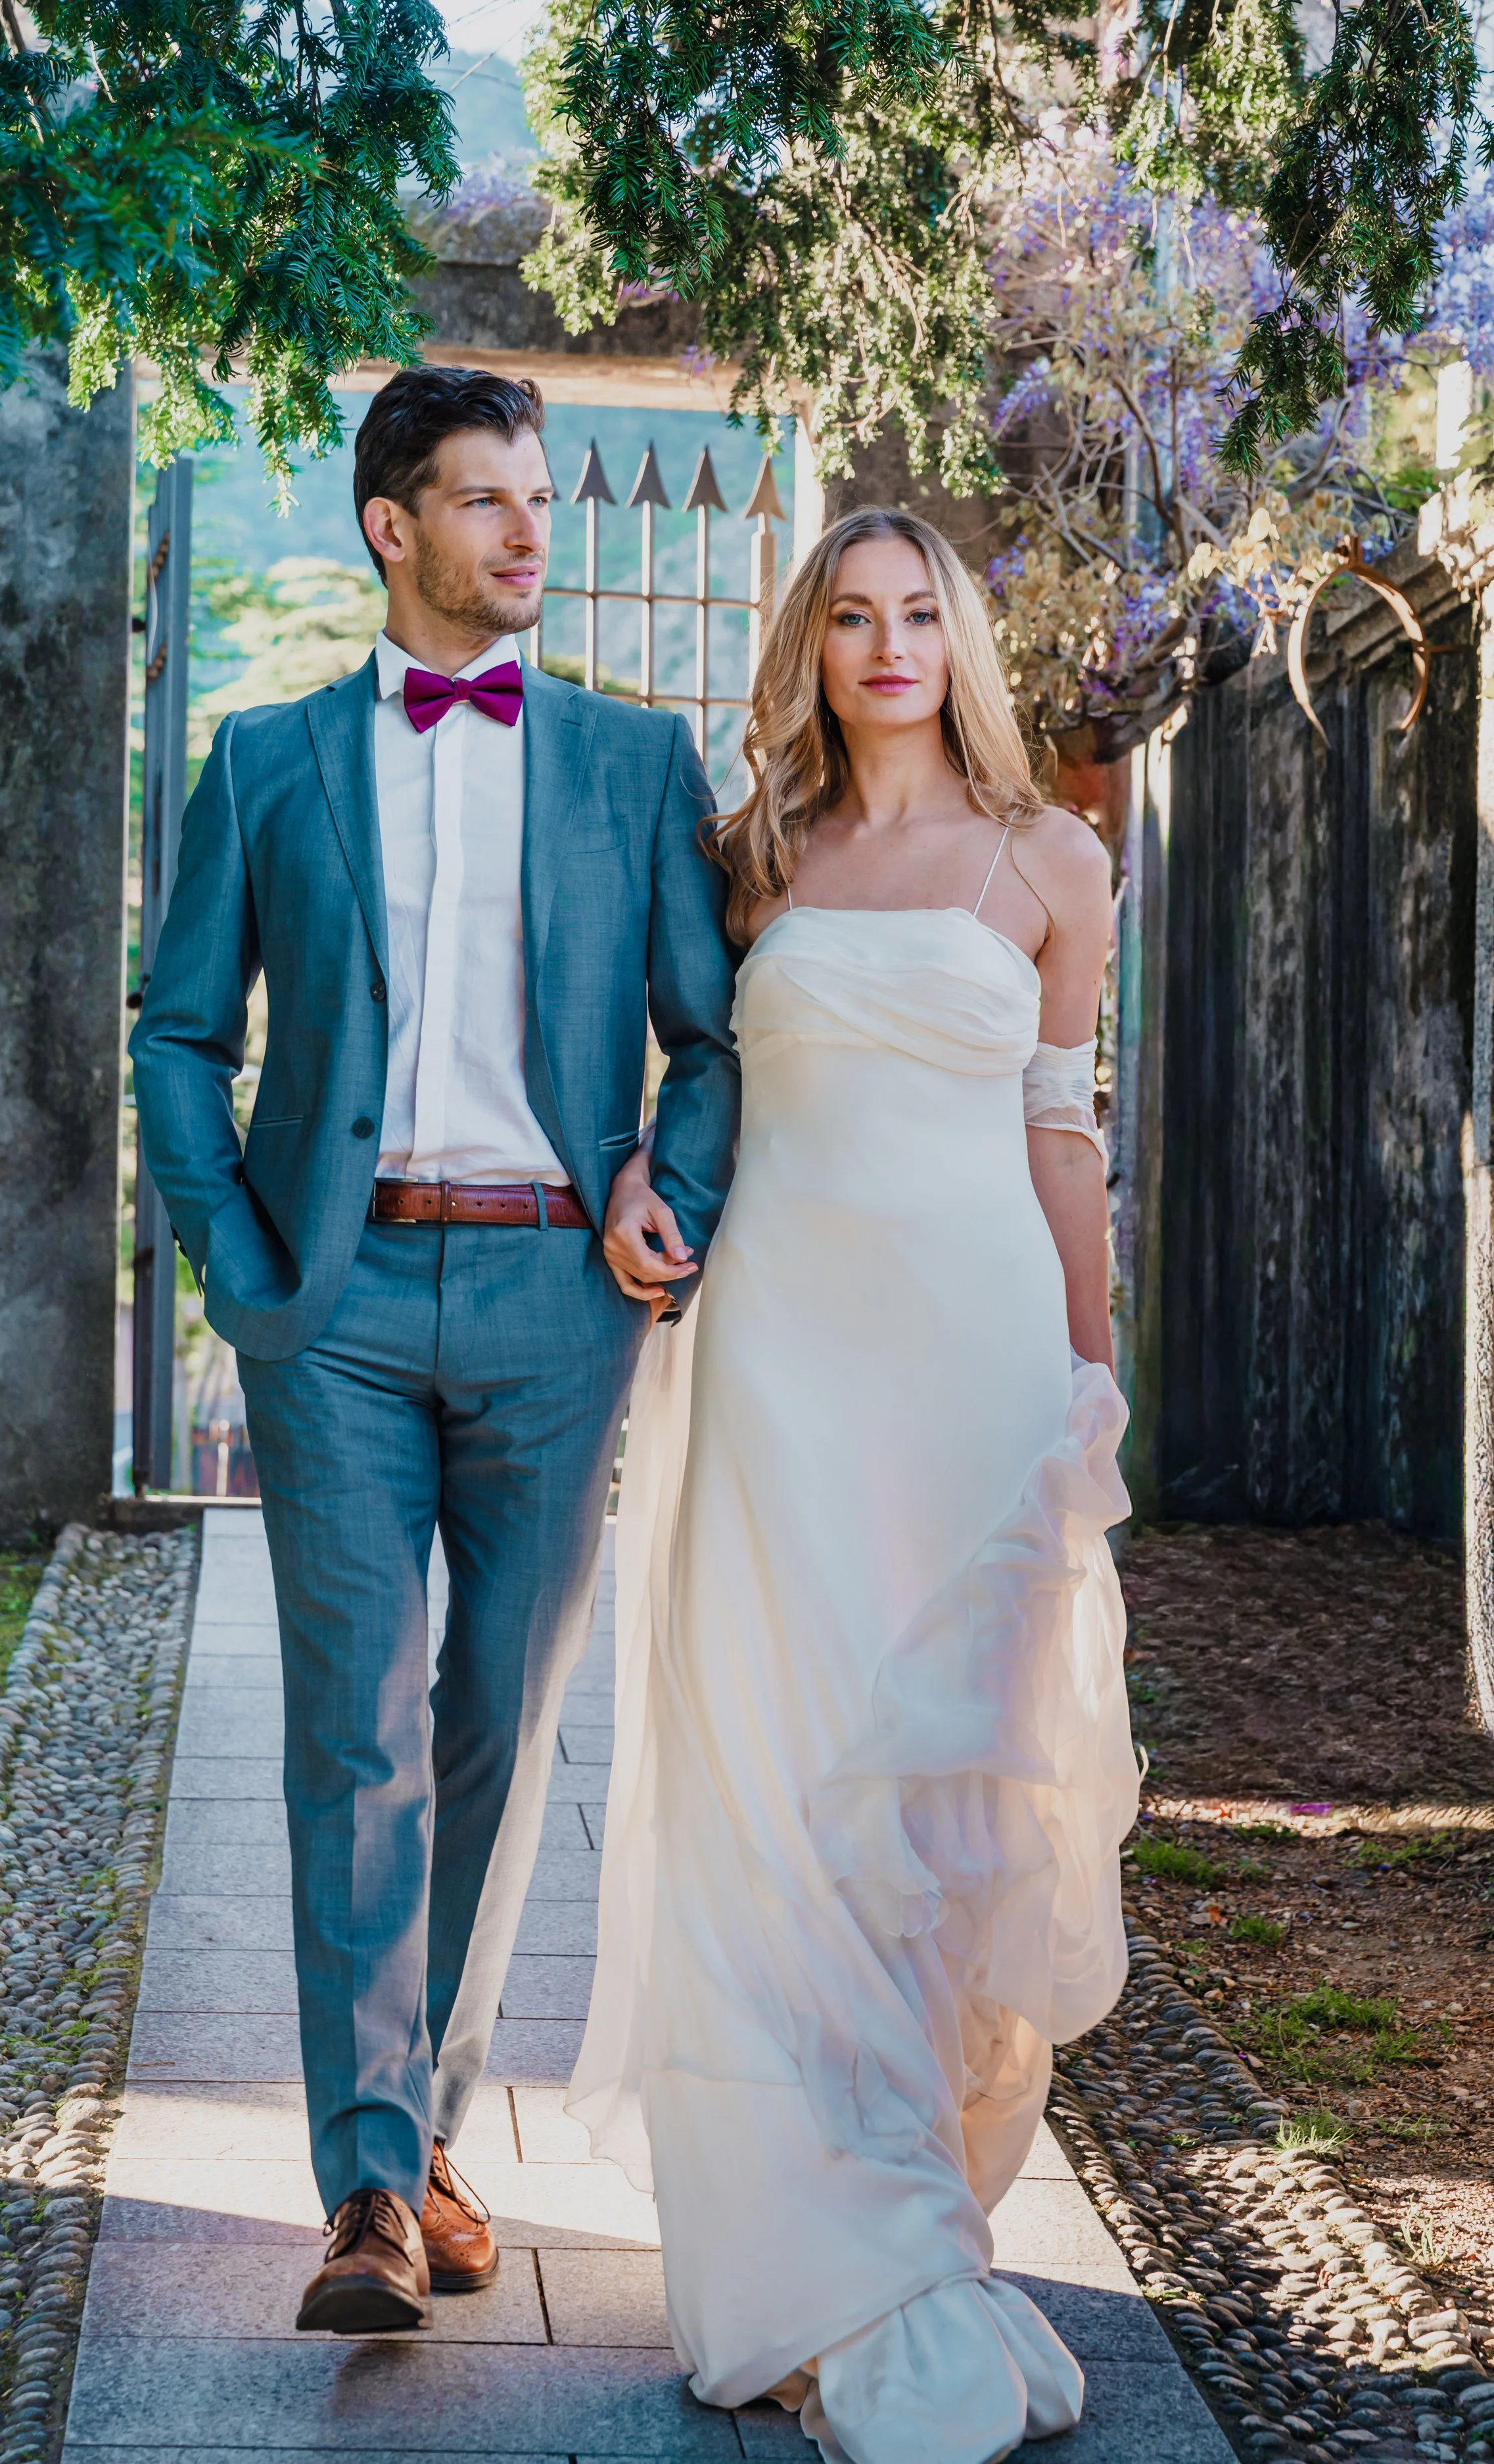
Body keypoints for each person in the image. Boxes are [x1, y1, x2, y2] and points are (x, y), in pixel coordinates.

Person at [129, 366, 740, 2334]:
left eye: (538, 499)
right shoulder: (267, 758)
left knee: (495, 1723)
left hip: (563, 1302)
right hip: (342, 1308)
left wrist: (672, 1187)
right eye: (483, 502)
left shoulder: (634, 766)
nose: (526, 534)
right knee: (354, 1736)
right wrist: (238, 1258)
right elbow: (178, 1033)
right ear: (392, 528)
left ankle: (431, 2113)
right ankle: (372, 2188)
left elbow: (708, 1037)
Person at [578, 506, 1140, 2463]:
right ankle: (819, 2268)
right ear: (809, 647)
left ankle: (917, 2234)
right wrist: (644, 1183)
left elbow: (1058, 1134)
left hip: (976, 1378)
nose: (888, 644)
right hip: (782, 1376)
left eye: (918, 614)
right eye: (850, 617)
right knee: (777, 1807)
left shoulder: (1052, 859)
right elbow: (681, 1088)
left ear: (957, 640)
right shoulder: (752, 866)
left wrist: (1091, 1372)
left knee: (944, 1815)